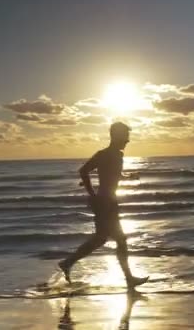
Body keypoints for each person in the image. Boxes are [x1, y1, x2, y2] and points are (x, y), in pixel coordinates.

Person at [58, 122, 148, 289]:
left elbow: (112, 175)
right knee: (120, 239)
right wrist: (92, 194)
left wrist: (127, 177)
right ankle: (129, 279)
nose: (127, 141)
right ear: (116, 136)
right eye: (125, 136)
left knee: (101, 239)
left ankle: (68, 262)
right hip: (105, 202)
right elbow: (83, 171)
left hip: (109, 201)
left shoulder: (117, 156)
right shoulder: (104, 154)